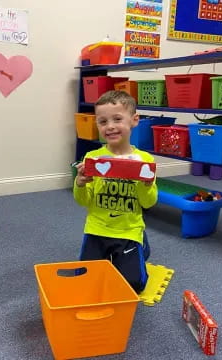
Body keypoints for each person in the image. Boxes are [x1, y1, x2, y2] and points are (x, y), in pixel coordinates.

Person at [73, 90, 157, 293]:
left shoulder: (145, 160)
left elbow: (148, 203)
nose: (109, 126)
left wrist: (146, 184)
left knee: (134, 286)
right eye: (102, 122)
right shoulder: (92, 158)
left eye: (117, 119)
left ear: (134, 120)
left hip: (128, 230)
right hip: (97, 229)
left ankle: (141, 246)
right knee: (84, 280)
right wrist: (80, 182)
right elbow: (83, 201)